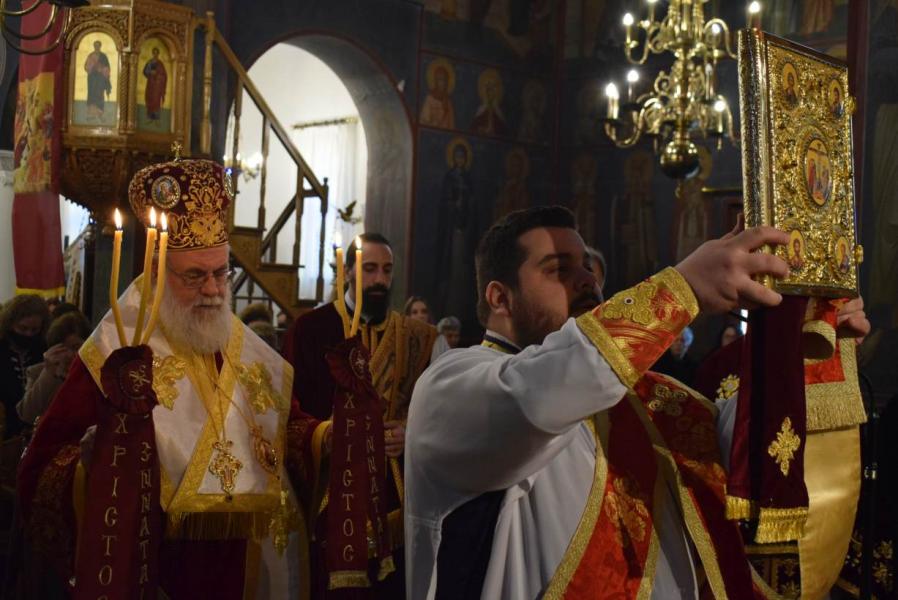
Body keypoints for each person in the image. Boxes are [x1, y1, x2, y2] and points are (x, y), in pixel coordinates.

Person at [404, 206, 868, 598]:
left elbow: (745, 451)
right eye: (559, 269)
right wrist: (682, 289)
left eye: (587, 267)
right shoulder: (452, 385)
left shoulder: (652, 397)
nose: (585, 280)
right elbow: (542, 392)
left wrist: (803, 338)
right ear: (500, 298)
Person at [18, 157, 307, 598]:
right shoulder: (115, 349)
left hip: (250, 565)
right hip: (158, 568)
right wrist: (87, 465)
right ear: (156, 272)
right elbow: (39, 470)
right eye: (194, 276)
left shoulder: (244, 348)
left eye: (221, 273)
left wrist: (329, 437)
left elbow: (292, 428)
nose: (212, 290)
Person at [283, 232, 439, 599]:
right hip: (331, 490)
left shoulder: (417, 338)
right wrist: (325, 435)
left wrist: (410, 434)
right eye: (369, 269)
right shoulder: (311, 329)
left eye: (387, 270)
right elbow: (286, 411)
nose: (380, 279)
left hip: (395, 500)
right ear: (348, 272)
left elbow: (436, 413)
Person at [16, 311, 91, 426]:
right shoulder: (37, 371)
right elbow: (27, 414)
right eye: (63, 348)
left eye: (76, 347)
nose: (70, 355)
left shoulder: (96, 371)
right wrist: (48, 372)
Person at [0, 294, 50, 439]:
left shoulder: (43, 349)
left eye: (34, 330)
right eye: (23, 328)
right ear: (10, 323)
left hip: (36, 429)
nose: (28, 334)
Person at [84, 40, 112, 120]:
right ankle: (91, 115)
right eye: (95, 45)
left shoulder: (103, 56)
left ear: (100, 46)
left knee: (99, 94)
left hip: (100, 79)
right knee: (92, 94)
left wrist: (102, 68)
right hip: (92, 79)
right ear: (94, 46)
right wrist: (92, 66)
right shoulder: (91, 55)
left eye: (98, 46)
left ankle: (100, 114)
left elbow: (107, 68)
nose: (96, 47)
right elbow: (86, 67)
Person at [142, 47, 168, 122]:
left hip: (157, 86)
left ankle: (156, 117)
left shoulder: (160, 64)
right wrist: (150, 72)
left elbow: (164, 75)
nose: (155, 55)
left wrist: (158, 75)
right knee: (149, 98)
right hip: (150, 84)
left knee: (156, 99)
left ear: (158, 54)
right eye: (154, 53)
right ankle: (149, 116)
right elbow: (145, 72)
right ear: (153, 54)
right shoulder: (149, 62)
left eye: (157, 53)